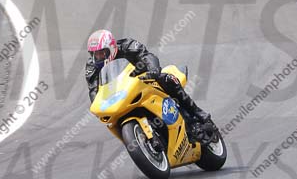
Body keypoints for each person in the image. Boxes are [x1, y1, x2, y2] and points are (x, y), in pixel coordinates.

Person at [86, 29, 216, 143]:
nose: (98, 57)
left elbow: (147, 55)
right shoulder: (92, 66)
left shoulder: (127, 45)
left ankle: (198, 114)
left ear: (112, 47)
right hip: (121, 93)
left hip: (144, 79)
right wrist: (99, 107)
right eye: (95, 54)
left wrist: (153, 70)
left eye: (102, 53)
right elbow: (94, 91)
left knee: (166, 79)